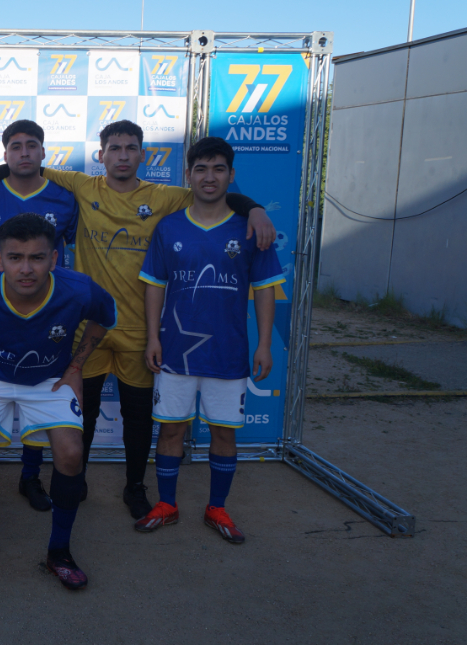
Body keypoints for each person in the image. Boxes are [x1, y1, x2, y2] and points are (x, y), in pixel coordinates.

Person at [0, 119, 276, 520]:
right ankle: (75, 479)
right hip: (88, 327)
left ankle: (135, 487)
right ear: (101, 155)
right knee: (83, 411)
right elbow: (27, 165)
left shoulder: (164, 197)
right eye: (114, 148)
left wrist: (254, 209)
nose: (122, 156)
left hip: (139, 330)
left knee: (137, 417)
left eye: (131, 148)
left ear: (142, 155)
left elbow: (214, 194)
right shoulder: (82, 186)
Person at [0, 213, 117, 591]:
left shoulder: (79, 290)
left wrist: (76, 367)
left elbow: (105, 317)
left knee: (71, 453)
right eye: (15, 258)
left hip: (49, 379)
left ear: (54, 259)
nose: (26, 269)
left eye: (37, 257)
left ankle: (59, 552)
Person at [135, 137, 284, 544]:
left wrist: (264, 344)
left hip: (227, 352)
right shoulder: (169, 227)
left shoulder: (250, 229)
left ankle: (217, 507)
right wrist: (152, 337)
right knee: (170, 432)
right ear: (188, 175)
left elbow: (265, 289)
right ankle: (167, 504)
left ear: (231, 175)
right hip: (176, 353)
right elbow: (155, 286)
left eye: (218, 169)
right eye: (201, 169)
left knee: (224, 433)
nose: (209, 177)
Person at [0, 119, 78, 512]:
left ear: (44, 152)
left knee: (37, 392)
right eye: (16, 146)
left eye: (32, 145)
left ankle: (30, 477)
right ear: (5, 154)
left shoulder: (65, 198)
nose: (25, 152)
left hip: (45, 313)